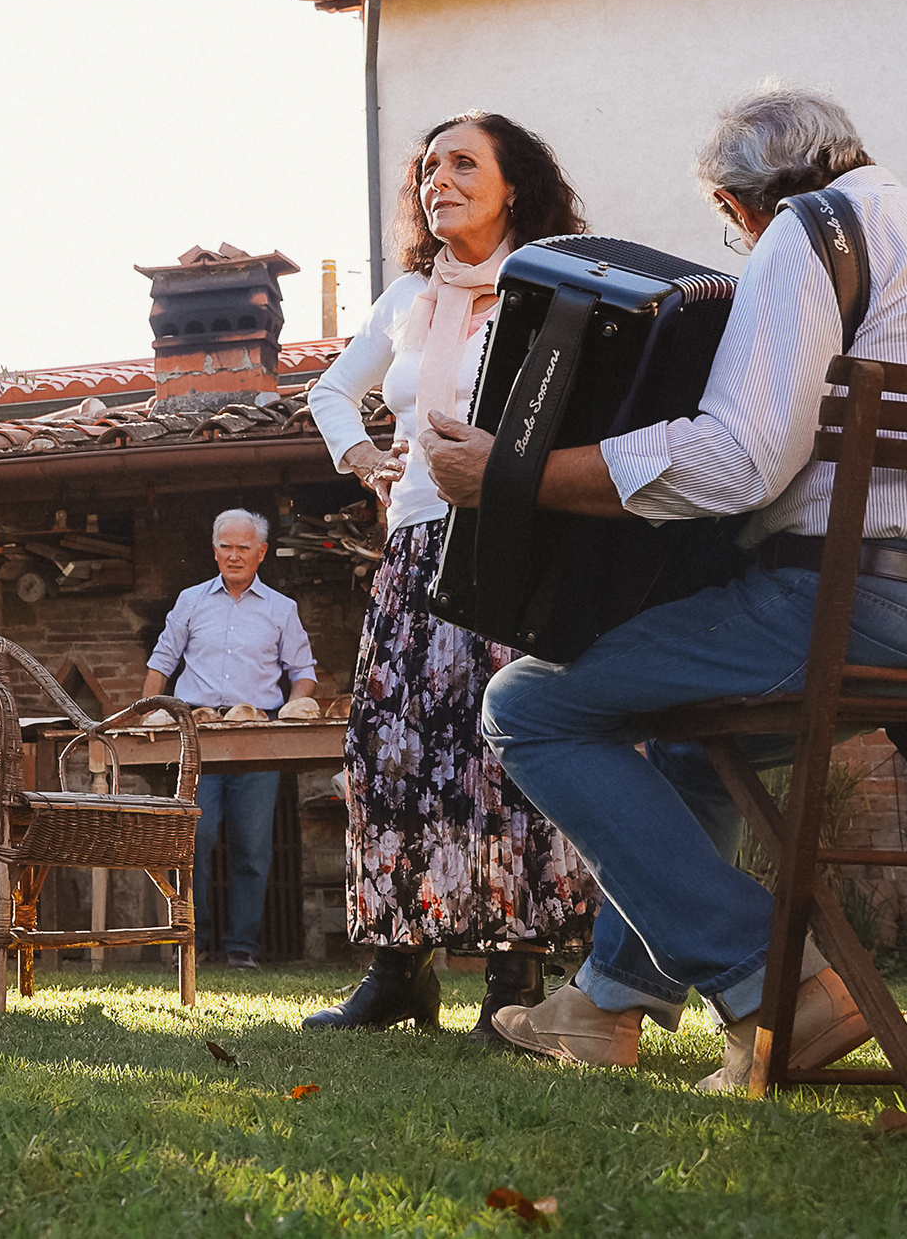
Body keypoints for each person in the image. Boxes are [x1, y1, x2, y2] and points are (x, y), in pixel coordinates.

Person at [431, 86, 907, 1090]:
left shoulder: (804, 235)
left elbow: (736, 461)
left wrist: (513, 476)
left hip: (874, 610)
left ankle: (774, 984)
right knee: (686, 738)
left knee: (529, 705)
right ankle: (607, 1001)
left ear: (736, 207)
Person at [302, 111, 597, 1036]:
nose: (439, 180)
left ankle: (517, 981)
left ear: (515, 185)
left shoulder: (554, 288)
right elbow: (329, 389)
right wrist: (362, 457)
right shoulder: (407, 300)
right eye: (429, 168)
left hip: (517, 548)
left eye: (464, 164)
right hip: (418, 551)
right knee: (399, 755)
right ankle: (399, 971)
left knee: (502, 757)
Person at [138, 510, 319, 971]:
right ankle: (189, 944)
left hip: (257, 733)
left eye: (243, 547)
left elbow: (303, 675)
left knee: (253, 846)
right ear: (214, 549)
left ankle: (242, 949)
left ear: (261, 552)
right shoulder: (191, 600)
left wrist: (294, 714)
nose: (233, 555)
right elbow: (162, 660)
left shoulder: (281, 609)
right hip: (196, 733)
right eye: (225, 546)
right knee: (193, 839)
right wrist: (146, 711)